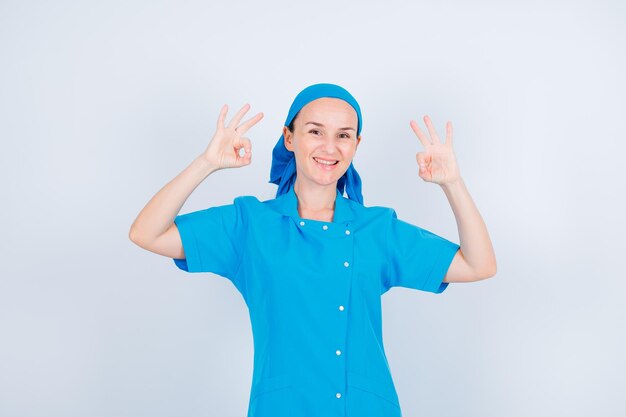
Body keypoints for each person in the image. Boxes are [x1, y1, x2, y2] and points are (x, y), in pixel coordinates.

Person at [129, 83, 497, 417]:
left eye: (344, 135)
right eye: (315, 132)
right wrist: (206, 163)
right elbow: (146, 233)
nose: (330, 147)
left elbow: (478, 265)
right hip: (282, 408)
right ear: (289, 138)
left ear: (356, 145)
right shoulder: (250, 224)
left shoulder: (377, 229)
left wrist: (453, 183)